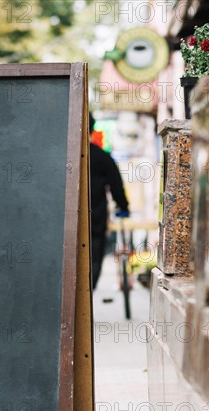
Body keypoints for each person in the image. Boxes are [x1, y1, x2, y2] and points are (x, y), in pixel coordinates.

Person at [89, 113, 130, 288]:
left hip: (63, 223)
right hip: (94, 221)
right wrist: (123, 206)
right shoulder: (101, 157)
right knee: (93, 258)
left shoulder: (60, 155)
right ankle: (88, 293)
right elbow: (116, 185)